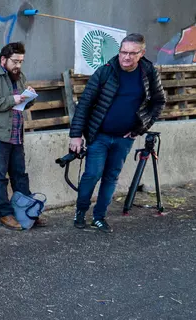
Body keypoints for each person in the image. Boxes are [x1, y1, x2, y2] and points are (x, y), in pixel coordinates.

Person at [70, 33, 166, 233]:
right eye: (123, 52)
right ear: (119, 51)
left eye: (132, 53)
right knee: (92, 174)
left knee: (111, 178)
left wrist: (141, 128)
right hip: (99, 135)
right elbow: (85, 102)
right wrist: (76, 135)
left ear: (142, 53)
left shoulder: (148, 73)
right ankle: (80, 212)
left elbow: (159, 102)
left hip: (125, 139)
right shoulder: (106, 71)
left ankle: (99, 217)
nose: (126, 57)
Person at [0, 42, 46, 230]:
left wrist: (29, 99)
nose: (18, 66)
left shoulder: (19, 76)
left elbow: (20, 105)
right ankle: (4, 213)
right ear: (3, 59)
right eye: (15, 61)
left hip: (15, 133)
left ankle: (27, 210)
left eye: (21, 62)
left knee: (19, 174)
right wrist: (11, 100)